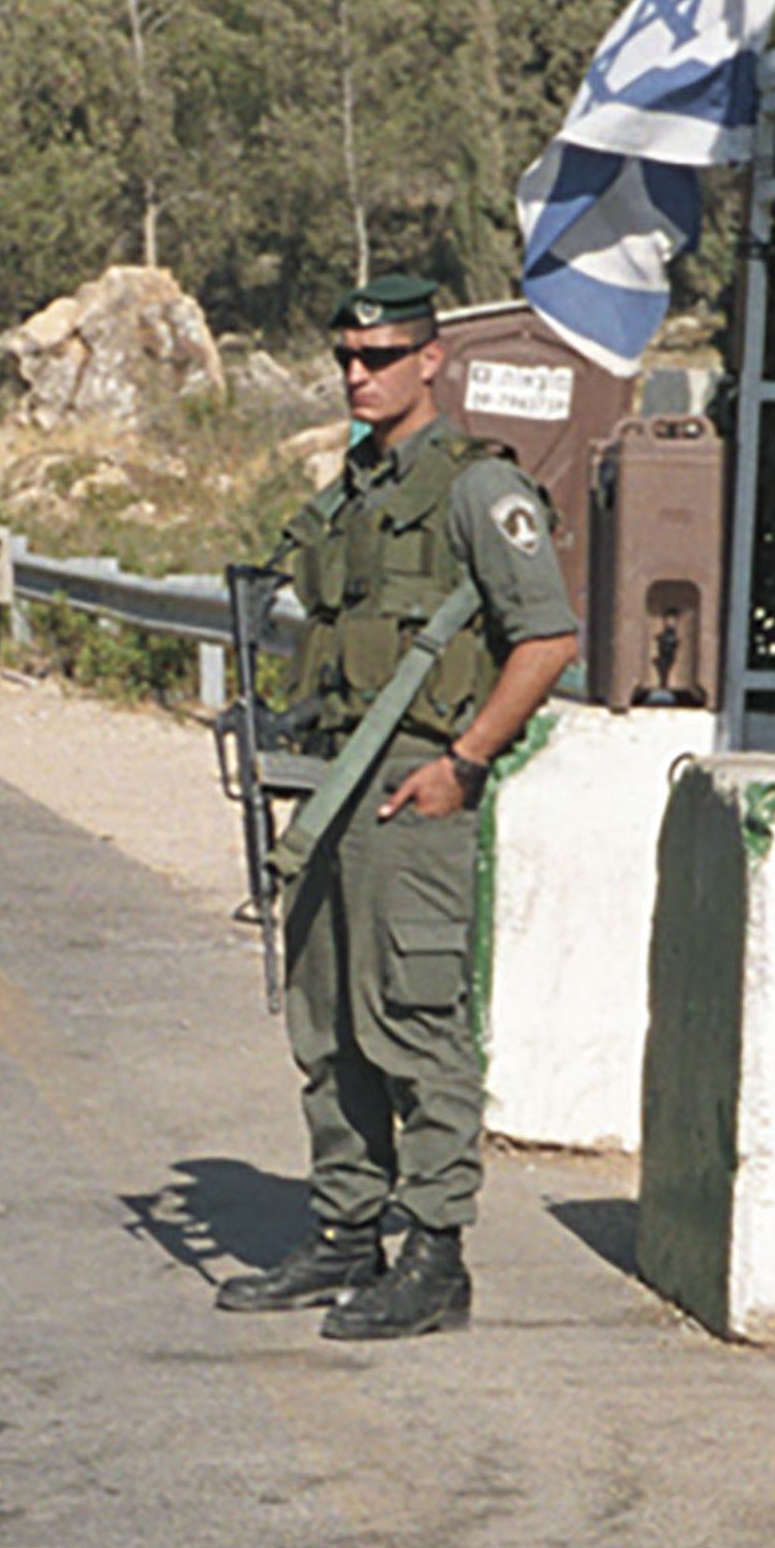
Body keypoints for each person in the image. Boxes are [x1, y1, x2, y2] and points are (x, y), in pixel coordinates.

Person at [218, 267, 575, 1344]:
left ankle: (435, 1253)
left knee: (412, 1025)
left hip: (411, 787)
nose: (357, 376)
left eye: (379, 358)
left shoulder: (476, 489)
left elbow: (547, 638)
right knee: (328, 1023)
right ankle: (345, 1230)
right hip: (331, 784)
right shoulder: (357, 489)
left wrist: (462, 762)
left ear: (433, 360)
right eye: (345, 359)